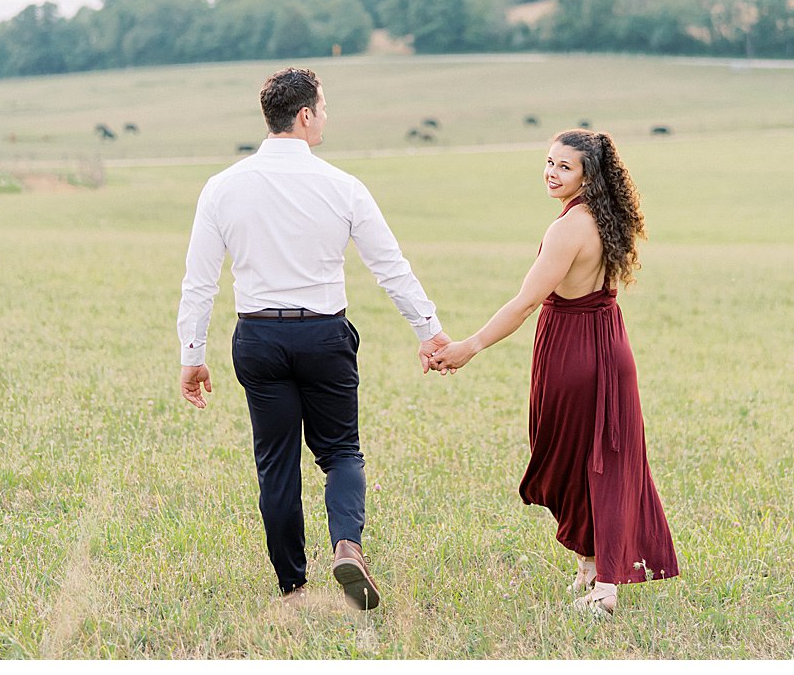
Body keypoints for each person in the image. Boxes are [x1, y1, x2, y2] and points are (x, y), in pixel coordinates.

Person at [177, 67, 451, 610]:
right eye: (323, 108)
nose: (326, 117)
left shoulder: (222, 187)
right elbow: (390, 267)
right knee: (341, 451)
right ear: (305, 115)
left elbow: (199, 280)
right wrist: (430, 332)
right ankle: (347, 543)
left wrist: (192, 355)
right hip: (324, 333)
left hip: (257, 337)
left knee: (276, 462)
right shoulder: (343, 187)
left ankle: (292, 588)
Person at [428, 129, 677, 613]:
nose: (551, 172)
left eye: (565, 166)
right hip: (608, 342)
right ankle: (590, 565)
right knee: (591, 457)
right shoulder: (604, 217)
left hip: (574, 350)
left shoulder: (569, 228)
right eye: (548, 162)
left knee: (582, 461)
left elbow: (525, 303)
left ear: (588, 174)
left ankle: (606, 587)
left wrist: (470, 346)